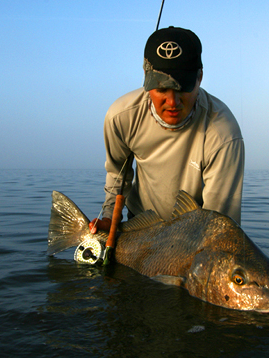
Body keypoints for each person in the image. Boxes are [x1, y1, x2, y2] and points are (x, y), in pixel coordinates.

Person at [89, 26, 244, 234]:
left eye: (182, 87)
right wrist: (108, 217)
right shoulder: (121, 117)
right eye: (161, 88)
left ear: (199, 77)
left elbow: (219, 229)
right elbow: (118, 173)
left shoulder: (224, 134)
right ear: (145, 76)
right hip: (138, 224)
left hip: (193, 233)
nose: (172, 102)